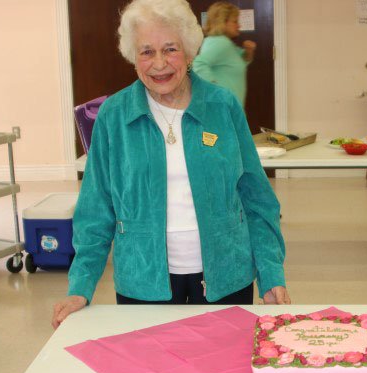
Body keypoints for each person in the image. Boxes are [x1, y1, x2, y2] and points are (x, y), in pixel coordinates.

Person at [52, 0, 289, 329]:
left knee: (223, 369)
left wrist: (271, 273)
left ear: (190, 51)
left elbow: (256, 197)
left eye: (170, 49)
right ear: (133, 56)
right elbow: (96, 208)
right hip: (143, 281)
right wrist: (81, 286)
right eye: (146, 51)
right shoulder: (114, 116)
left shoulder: (222, 106)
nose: (159, 64)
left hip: (226, 274)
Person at [191, 1, 256, 106]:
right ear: (222, 22)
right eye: (235, 21)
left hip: (230, 109)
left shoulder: (227, 44)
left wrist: (249, 51)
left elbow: (241, 61)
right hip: (223, 109)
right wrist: (216, 93)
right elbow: (198, 64)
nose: (239, 25)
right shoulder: (220, 42)